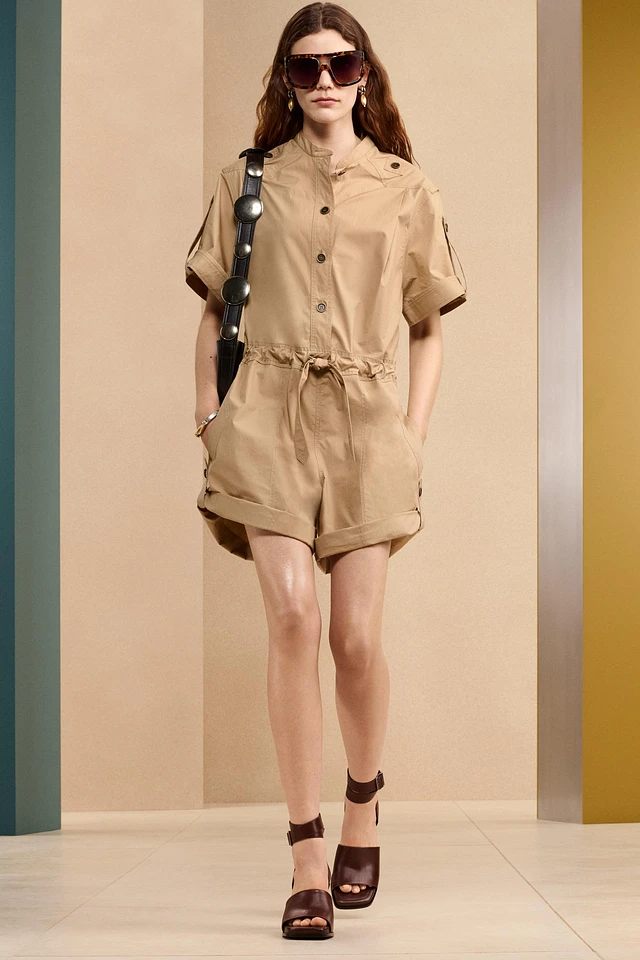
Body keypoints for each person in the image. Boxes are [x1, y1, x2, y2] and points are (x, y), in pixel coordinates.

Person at [186, 1, 467, 941]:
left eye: (340, 65)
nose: (323, 82)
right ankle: (307, 854)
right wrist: (208, 412)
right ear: (285, 79)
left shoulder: (405, 188)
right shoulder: (248, 178)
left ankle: (362, 801)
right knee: (293, 619)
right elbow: (214, 304)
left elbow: (428, 327)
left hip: (366, 425)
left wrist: (411, 434)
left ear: (364, 74)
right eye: (304, 67)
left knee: (353, 637)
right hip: (263, 417)